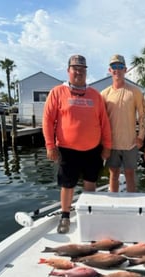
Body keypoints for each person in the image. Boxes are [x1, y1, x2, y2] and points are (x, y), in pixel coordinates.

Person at [42, 54, 112, 234]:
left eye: (82, 69)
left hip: (92, 149)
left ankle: (89, 213)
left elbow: (104, 122)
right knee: (67, 184)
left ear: (86, 72)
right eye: (75, 69)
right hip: (67, 150)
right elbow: (48, 120)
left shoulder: (95, 95)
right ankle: (65, 216)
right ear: (68, 71)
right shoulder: (57, 92)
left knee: (91, 182)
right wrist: (50, 145)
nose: (79, 73)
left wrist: (107, 146)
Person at [101, 54, 145, 192]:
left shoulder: (135, 92)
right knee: (113, 174)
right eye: (114, 67)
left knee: (130, 175)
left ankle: (132, 205)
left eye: (120, 67)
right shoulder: (104, 94)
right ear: (110, 70)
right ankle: (113, 202)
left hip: (131, 143)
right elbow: (100, 121)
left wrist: (141, 137)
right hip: (111, 144)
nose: (117, 70)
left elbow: (144, 114)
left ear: (125, 69)